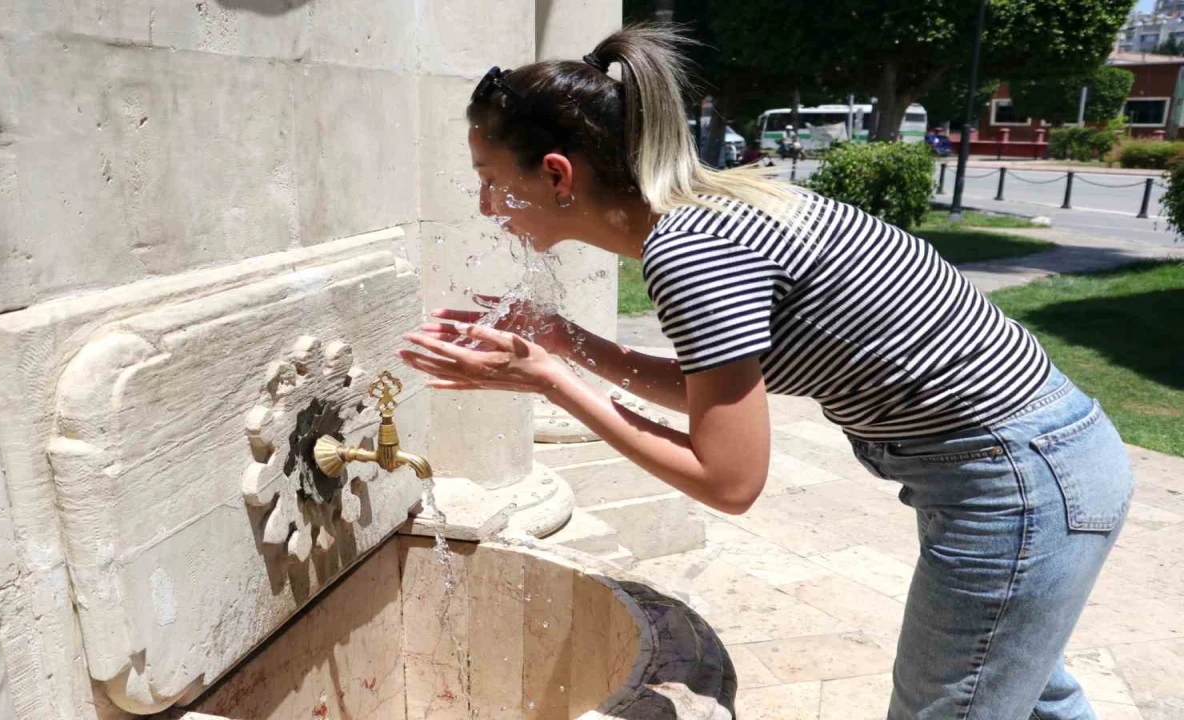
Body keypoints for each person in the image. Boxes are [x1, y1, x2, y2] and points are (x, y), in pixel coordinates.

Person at [398, 23, 1132, 720]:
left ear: (558, 173)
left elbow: (730, 481)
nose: (489, 208)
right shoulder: (706, 214)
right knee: (1036, 702)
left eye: (491, 180)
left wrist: (553, 383)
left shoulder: (689, 252)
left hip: (1018, 485)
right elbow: (709, 396)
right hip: (1040, 464)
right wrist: (563, 341)